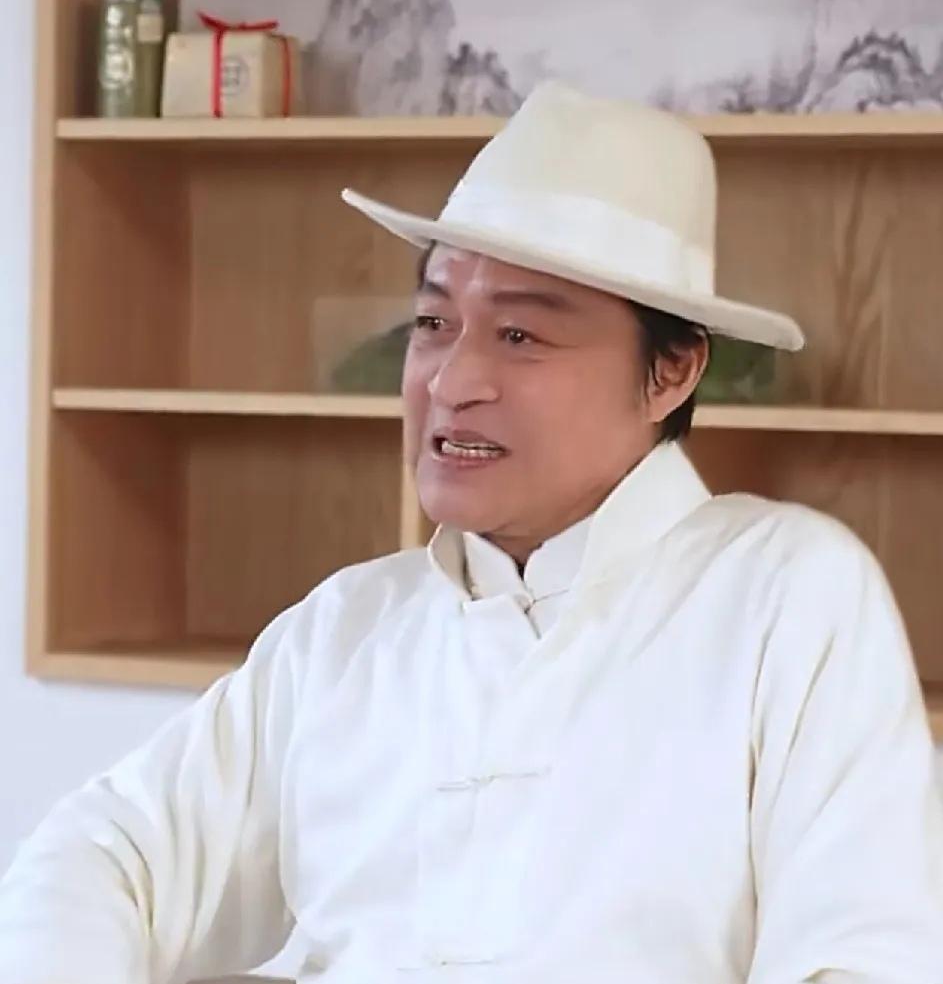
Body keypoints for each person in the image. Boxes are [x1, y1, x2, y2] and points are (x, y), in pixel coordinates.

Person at [1, 81, 941, 984]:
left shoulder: (787, 594)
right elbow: (100, 855)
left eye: (520, 335)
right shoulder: (347, 627)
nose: (450, 381)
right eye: (431, 322)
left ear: (671, 372)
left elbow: (868, 958)